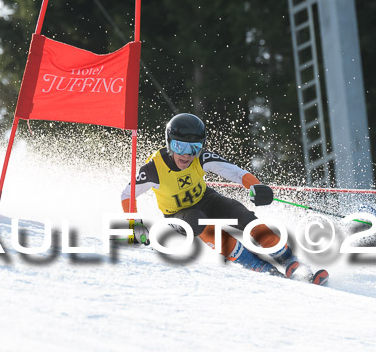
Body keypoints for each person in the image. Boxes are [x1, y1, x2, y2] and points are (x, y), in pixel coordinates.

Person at [120, 112, 311, 279]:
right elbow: (127, 195)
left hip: (206, 199)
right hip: (179, 216)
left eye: (193, 148)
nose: (186, 155)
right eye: (180, 147)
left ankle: (289, 260)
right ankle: (257, 266)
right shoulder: (154, 169)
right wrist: (134, 225)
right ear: (169, 144)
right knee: (198, 220)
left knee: (242, 214)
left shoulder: (201, 158)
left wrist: (256, 186)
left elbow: (236, 173)